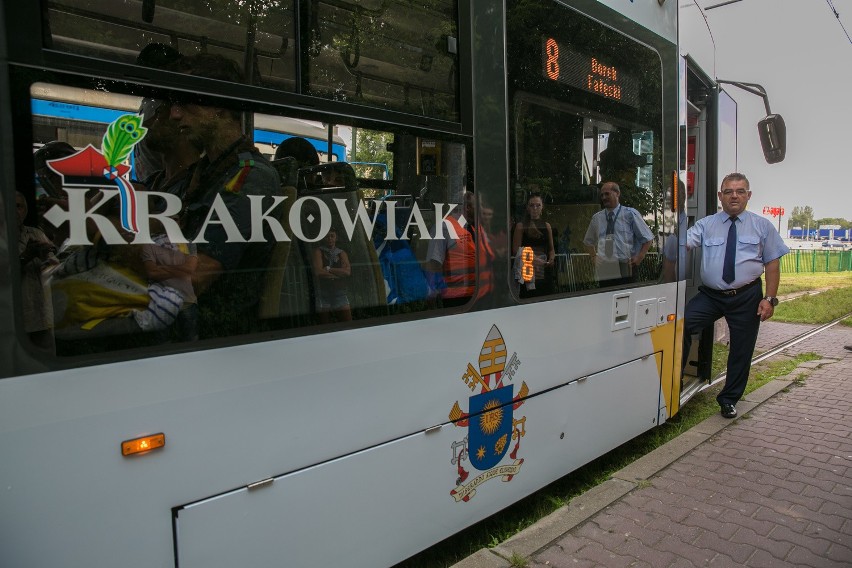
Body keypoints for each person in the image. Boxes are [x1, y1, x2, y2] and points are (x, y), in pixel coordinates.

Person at [169, 53, 284, 337]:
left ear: (218, 106)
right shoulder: (205, 173)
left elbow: (196, 277)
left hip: (215, 334)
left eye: (185, 102)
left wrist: (123, 253)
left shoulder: (249, 177)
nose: (175, 114)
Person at [683, 172, 789, 419]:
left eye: (740, 191)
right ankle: (673, 379)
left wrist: (770, 298)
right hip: (711, 296)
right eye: (728, 191)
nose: (734, 196)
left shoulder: (762, 226)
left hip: (747, 296)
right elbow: (683, 244)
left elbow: (773, 264)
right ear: (720, 196)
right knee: (684, 324)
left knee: (741, 349)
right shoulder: (706, 224)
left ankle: (729, 399)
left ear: (748, 195)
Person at [425, 191, 494, 307]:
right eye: (479, 205)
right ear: (467, 208)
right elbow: (433, 264)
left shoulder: (477, 227)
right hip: (457, 299)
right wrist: (432, 295)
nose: (482, 209)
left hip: (480, 297)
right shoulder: (445, 227)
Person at [583, 181, 653, 286]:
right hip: (606, 268)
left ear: (617, 193)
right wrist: (593, 257)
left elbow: (648, 238)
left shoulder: (630, 214)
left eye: (607, 194)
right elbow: (588, 242)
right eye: (602, 195)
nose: (604, 197)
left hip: (626, 265)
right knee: (606, 299)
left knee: (627, 299)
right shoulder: (597, 218)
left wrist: (640, 257)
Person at [16, 191, 58, 350]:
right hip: (15, 320)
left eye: (19, 206)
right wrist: (25, 257)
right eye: (10, 206)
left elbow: (54, 267)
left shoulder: (36, 233)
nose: (15, 211)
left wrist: (45, 256)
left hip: (42, 313)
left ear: (25, 210)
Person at [512, 193, 555, 297]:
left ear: (542, 207)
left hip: (545, 273)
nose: (535, 208)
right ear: (527, 207)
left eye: (538, 205)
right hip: (528, 274)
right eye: (532, 205)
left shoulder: (547, 226)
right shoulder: (521, 226)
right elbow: (515, 250)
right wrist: (532, 258)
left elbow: (551, 249)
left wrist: (552, 258)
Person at [311, 228, 352, 323]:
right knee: (324, 323)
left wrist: (329, 269)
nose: (329, 238)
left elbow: (347, 272)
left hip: (339, 291)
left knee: (348, 322)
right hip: (323, 292)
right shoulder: (318, 251)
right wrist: (337, 275)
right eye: (327, 236)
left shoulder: (341, 253)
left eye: (332, 236)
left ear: (336, 238)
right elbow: (318, 272)